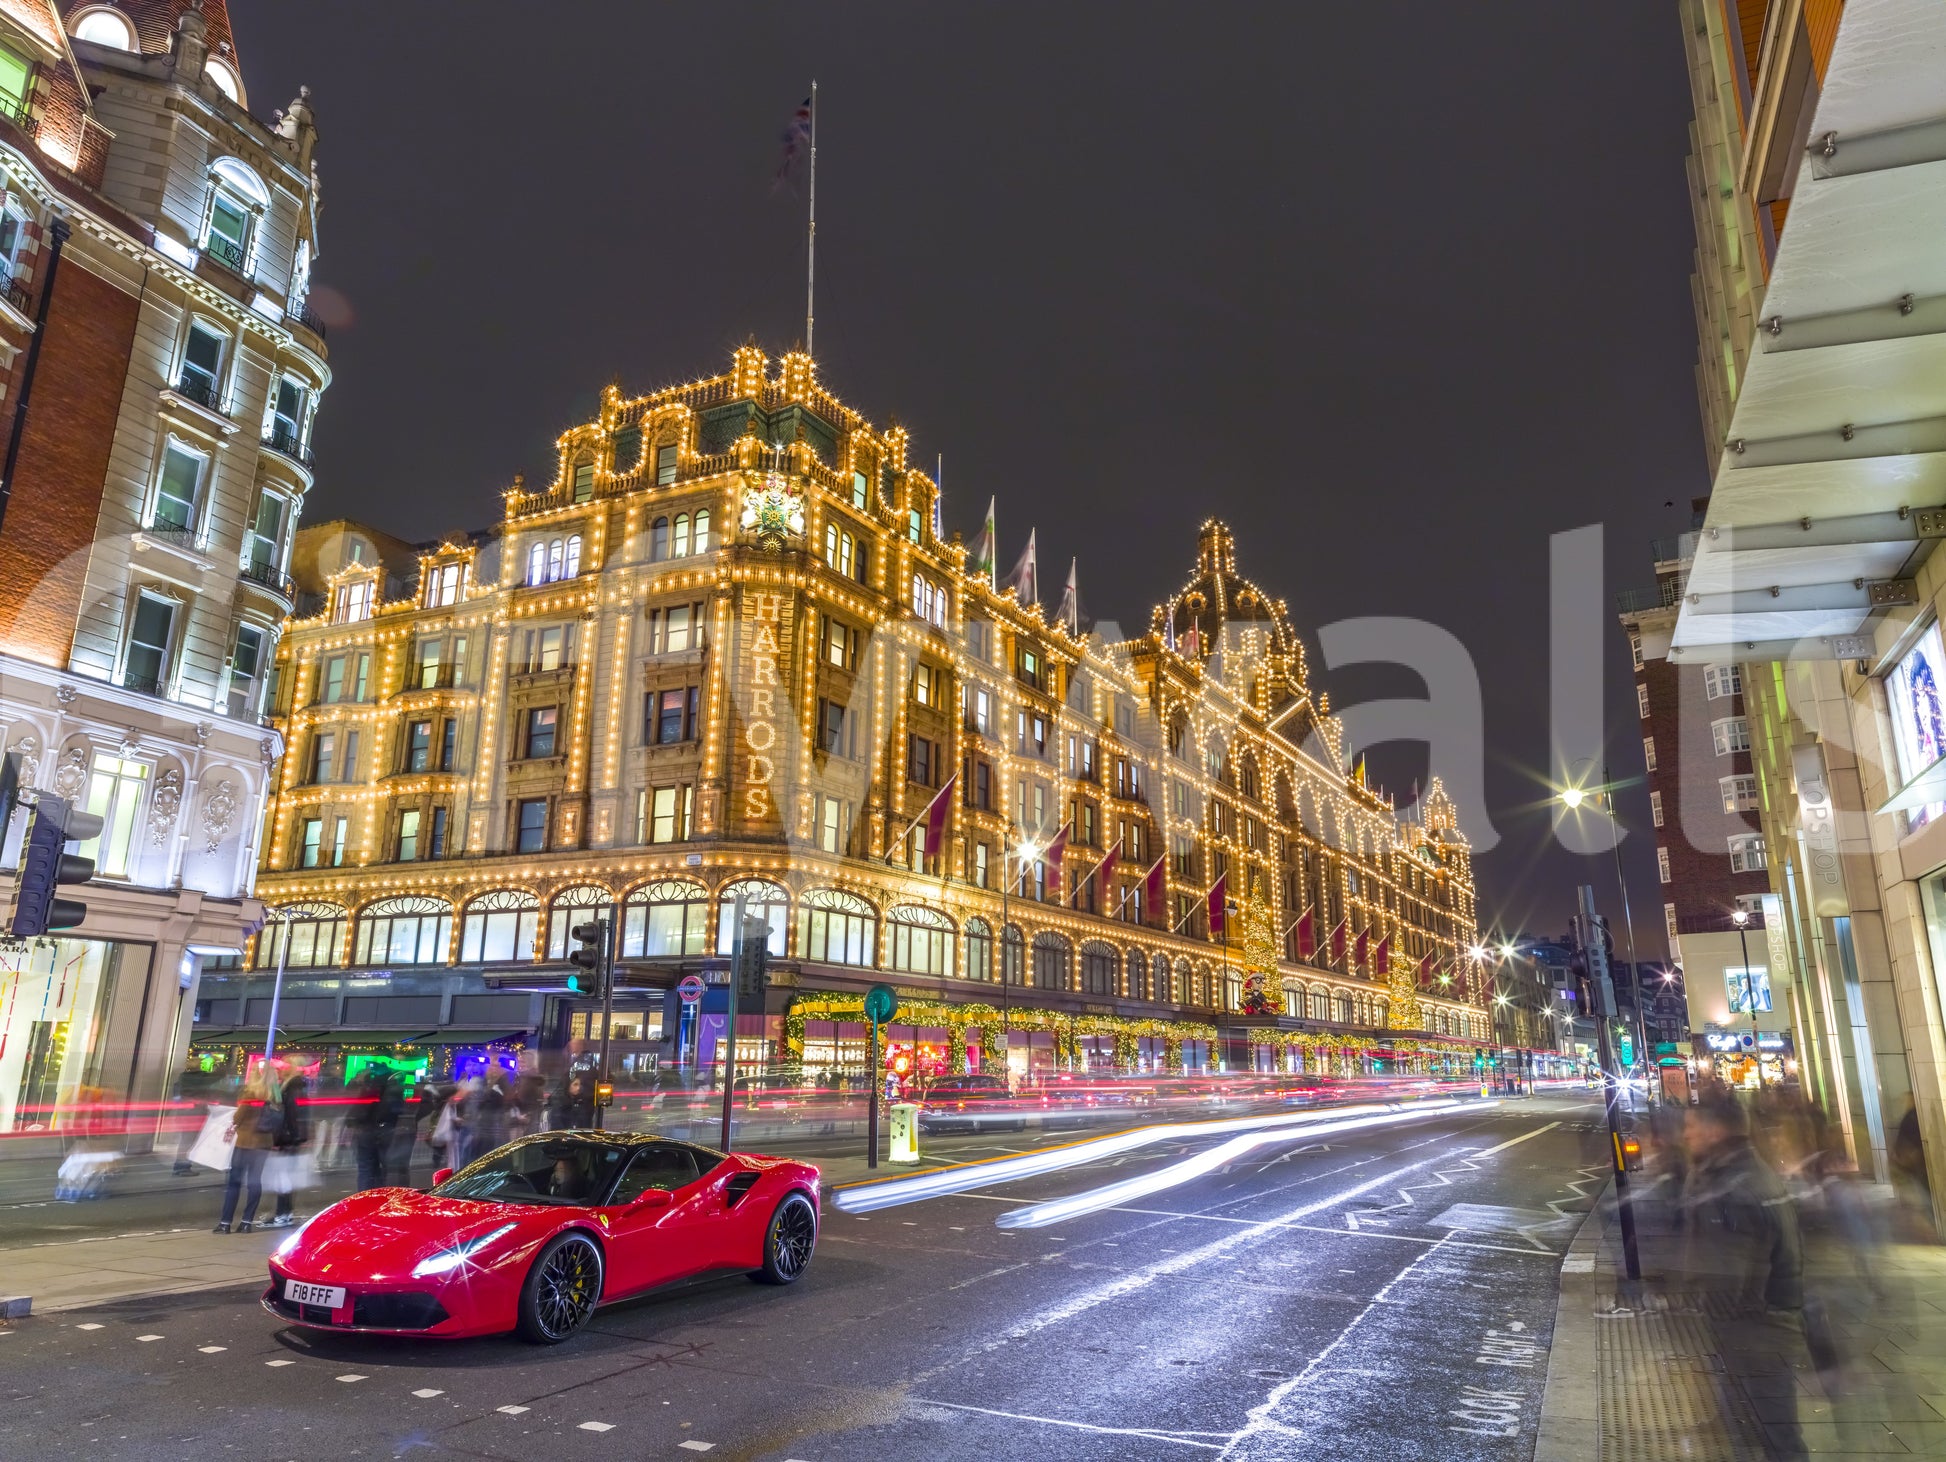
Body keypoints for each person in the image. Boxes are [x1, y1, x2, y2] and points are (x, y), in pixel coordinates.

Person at [215, 1065, 281, 1233]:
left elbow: (238, 1118)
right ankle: (246, 1222)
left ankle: (225, 1223)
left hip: (245, 1143)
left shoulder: (249, 1093)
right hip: (263, 1144)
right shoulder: (275, 1096)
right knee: (254, 1181)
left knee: (234, 1183)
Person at [263, 1060, 312, 1229]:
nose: (280, 1069)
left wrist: (286, 1137)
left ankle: (282, 1215)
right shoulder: (293, 1087)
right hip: (291, 1138)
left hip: (288, 1138)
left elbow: (291, 1116)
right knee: (286, 1178)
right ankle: (285, 1213)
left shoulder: (292, 1089)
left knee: (283, 1178)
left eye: (284, 1066)